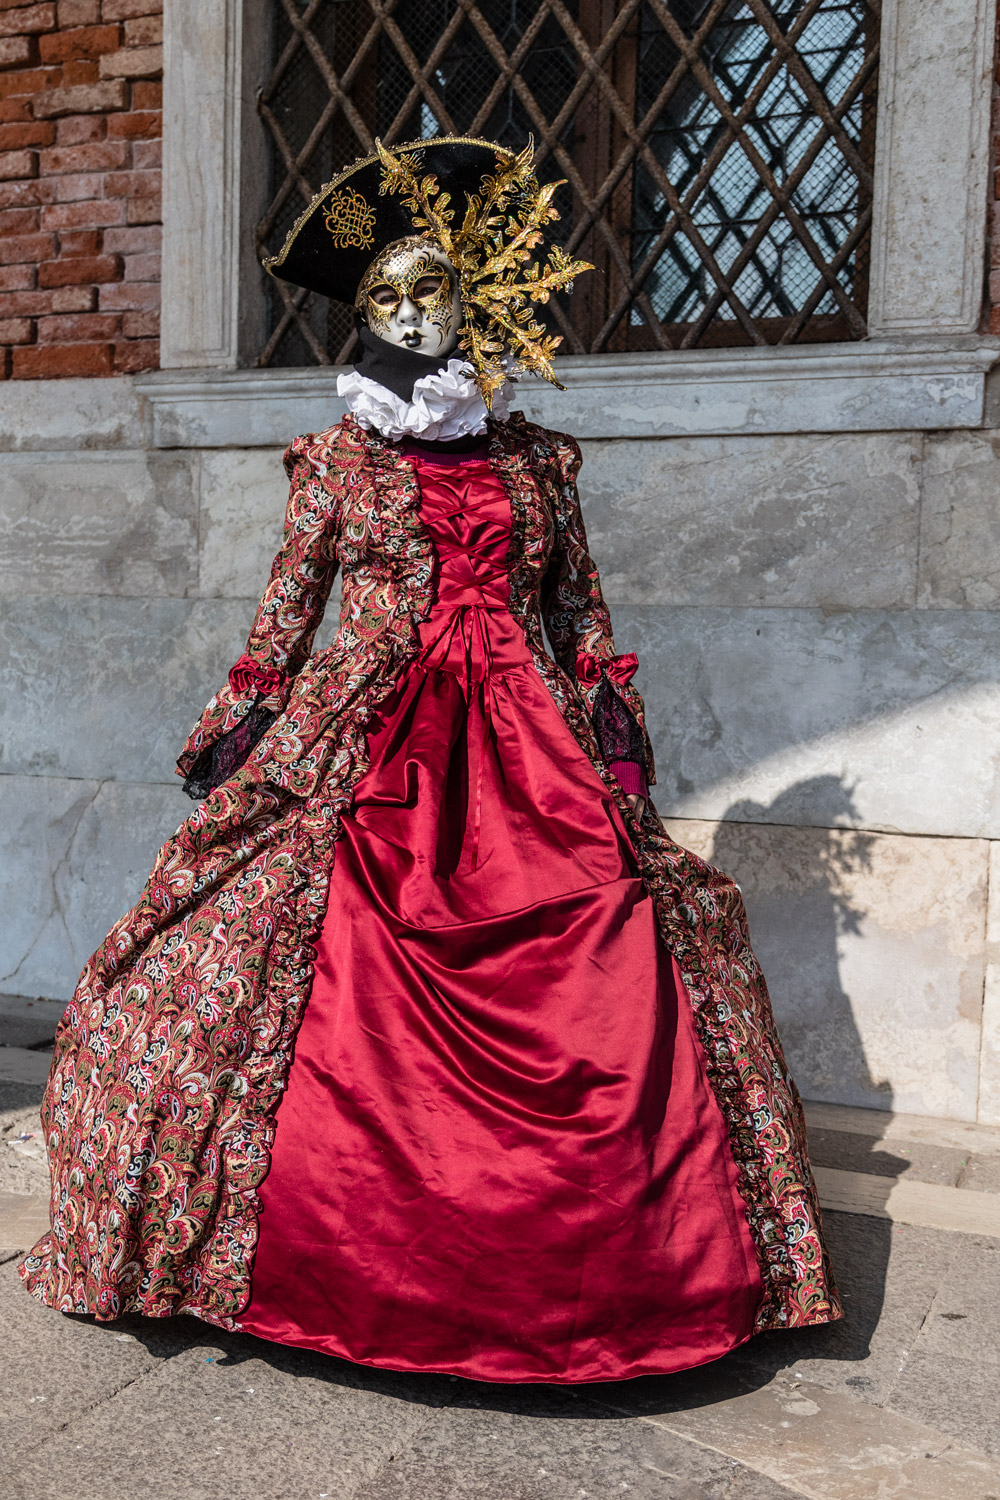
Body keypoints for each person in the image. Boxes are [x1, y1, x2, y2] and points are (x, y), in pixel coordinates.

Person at [21, 136, 840, 1382]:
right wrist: (242, 721)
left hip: (530, 743)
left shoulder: (539, 461)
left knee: (615, 956)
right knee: (249, 957)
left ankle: (634, 1275)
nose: (410, 313)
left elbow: (582, 620)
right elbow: (288, 612)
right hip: (369, 738)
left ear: (475, 297)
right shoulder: (338, 461)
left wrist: (613, 737)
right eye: (386, 296)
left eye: (431, 287)